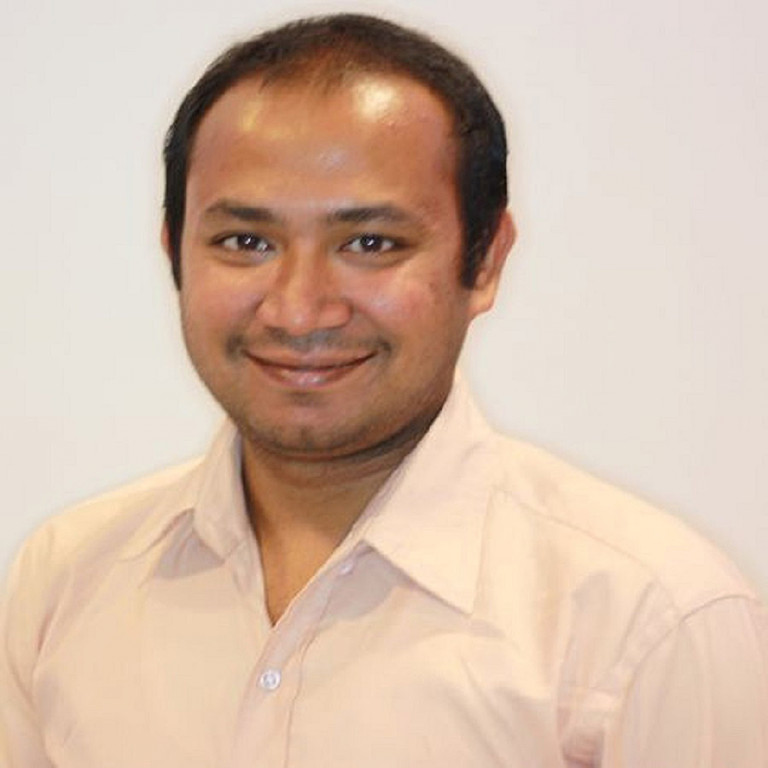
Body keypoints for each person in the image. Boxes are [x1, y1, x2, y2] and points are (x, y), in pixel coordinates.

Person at [1, 13, 765, 768]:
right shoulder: (67, 580)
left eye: (371, 243)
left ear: (486, 260)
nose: (299, 310)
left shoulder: (650, 620)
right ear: (175, 251)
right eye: (246, 242)